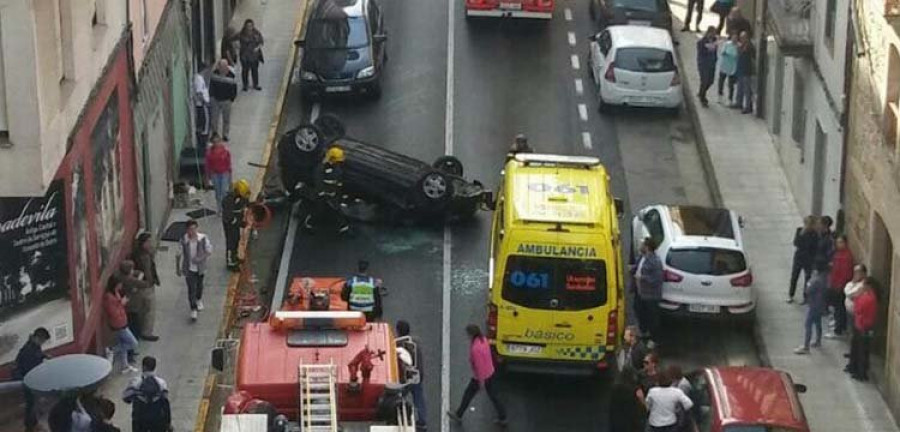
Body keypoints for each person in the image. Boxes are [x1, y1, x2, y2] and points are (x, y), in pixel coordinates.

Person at [447, 325, 507, 426]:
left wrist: (481, 382)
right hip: (490, 372)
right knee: (494, 396)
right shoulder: (483, 340)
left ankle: (458, 414)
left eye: (468, 334)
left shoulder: (475, 349)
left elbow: (479, 367)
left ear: (471, 334)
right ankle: (503, 416)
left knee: (468, 394)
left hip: (480, 377)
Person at [304, 146, 351, 234]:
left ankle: (343, 227)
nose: (340, 163)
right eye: (338, 161)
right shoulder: (322, 169)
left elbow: (337, 183)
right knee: (319, 210)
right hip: (322, 195)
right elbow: (318, 181)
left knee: (335, 209)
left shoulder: (335, 169)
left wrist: (336, 193)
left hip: (330, 194)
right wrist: (322, 193)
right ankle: (309, 224)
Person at [176, 220, 213, 321]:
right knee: (191, 288)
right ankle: (193, 309)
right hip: (189, 269)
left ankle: (199, 299)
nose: (192, 231)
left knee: (199, 285)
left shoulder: (203, 238)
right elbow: (178, 254)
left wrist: (200, 258)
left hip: (200, 268)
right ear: (187, 230)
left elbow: (209, 251)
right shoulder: (184, 240)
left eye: (194, 229)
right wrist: (177, 268)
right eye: (190, 229)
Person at [123, 356, 172, 432]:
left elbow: (126, 398)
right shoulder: (162, 383)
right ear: (154, 367)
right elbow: (166, 403)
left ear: (143, 367)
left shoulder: (136, 382)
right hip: (157, 419)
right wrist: (168, 423)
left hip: (140, 419)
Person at [16, 327, 50, 432]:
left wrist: (44, 355)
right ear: (37, 337)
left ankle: (34, 423)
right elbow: (30, 369)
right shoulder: (28, 351)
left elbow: (37, 354)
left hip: (31, 378)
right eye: (42, 341)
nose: (42, 343)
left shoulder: (34, 345)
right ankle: (29, 427)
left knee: (33, 403)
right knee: (31, 404)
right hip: (28, 380)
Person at [103, 277, 140, 373]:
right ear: (115, 284)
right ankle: (112, 350)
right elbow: (112, 312)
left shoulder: (115, 293)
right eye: (120, 284)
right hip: (118, 324)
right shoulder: (109, 297)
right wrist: (121, 303)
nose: (121, 285)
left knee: (124, 344)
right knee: (133, 343)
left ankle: (125, 365)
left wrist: (121, 303)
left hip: (121, 322)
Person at [395, 320, 427, 430]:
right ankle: (422, 420)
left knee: (397, 396)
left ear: (398, 331)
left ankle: (396, 415)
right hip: (418, 375)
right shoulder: (416, 342)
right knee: (418, 397)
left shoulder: (398, 344)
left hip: (406, 377)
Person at [794, 259, 828, 354]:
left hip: (814, 304)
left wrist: (809, 283)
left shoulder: (816, 280)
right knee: (818, 323)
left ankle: (806, 346)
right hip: (820, 304)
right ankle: (818, 340)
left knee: (808, 324)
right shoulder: (824, 278)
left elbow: (808, 289)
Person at [633, 237, 663, 341]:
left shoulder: (655, 261)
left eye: (642, 245)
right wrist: (632, 269)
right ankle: (643, 332)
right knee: (639, 311)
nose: (640, 246)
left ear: (647, 247)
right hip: (640, 292)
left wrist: (642, 278)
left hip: (650, 295)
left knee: (652, 318)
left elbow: (657, 279)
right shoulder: (642, 257)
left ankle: (653, 339)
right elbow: (638, 267)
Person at [847, 277, 878, 381]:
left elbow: (857, 308)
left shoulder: (868, 298)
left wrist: (857, 297)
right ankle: (858, 370)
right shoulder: (870, 296)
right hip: (863, 325)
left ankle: (861, 373)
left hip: (863, 326)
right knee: (861, 350)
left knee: (862, 351)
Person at [131, 232, 160, 341]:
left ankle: (143, 330)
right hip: (145, 285)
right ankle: (147, 332)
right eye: (148, 241)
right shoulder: (141, 256)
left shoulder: (144, 254)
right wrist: (149, 281)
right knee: (149, 309)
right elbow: (146, 271)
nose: (150, 244)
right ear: (142, 243)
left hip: (146, 284)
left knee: (145, 309)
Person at [116, 260, 153, 341]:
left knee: (130, 322)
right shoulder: (131, 280)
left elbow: (138, 272)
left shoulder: (120, 276)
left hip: (126, 304)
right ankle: (134, 339)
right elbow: (145, 284)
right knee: (134, 323)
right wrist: (139, 278)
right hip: (133, 304)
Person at [825, 235, 853, 338]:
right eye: (837, 242)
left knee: (839, 308)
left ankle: (838, 330)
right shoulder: (839, 254)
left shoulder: (846, 256)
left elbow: (845, 273)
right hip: (835, 284)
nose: (838, 244)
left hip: (840, 286)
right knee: (837, 307)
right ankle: (839, 325)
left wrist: (839, 286)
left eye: (841, 242)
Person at [788, 216, 818, 304]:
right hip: (798, 257)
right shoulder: (799, 230)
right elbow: (796, 243)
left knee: (807, 278)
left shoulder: (814, 234)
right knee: (794, 276)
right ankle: (791, 295)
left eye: (809, 224)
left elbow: (812, 247)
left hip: (809, 259)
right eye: (806, 223)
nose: (807, 226)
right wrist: (802, 233)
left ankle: (806, 297)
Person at [223, 179, 250, 270]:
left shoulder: (242, 197)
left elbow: (246, 205)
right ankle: (230, 262)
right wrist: (240, 223)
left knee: (237, 239)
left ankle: (235, 257)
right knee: (231, 241)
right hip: (229, 222)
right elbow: (229, 217)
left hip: (236, 220)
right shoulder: (228, 200)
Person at [608, 367, 646, 432]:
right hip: (632, 424)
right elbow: (643, 407)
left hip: (618, 423)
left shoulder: (615, 389)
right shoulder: (635, 390)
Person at [209, 59, 238, 141]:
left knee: (226, 119)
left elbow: (234, 88)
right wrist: (212, 97)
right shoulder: (215, 74)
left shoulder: (231, 75)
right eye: (221, 66)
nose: (223, 68)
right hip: (216, 100)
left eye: (224, 66)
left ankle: (225, 134)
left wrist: (231, 99)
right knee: (214, 119)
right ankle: (214, 134)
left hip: (226, 101)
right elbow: (211, 86)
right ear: (219, 67)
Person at [731, 31, 755, 114]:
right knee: (740, 88)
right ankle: (739, 103)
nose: (741, 39)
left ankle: (748, 106)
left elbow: (749, 55)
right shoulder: (742, 45)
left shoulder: (749, 46)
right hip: (741, 70)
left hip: (747, 71)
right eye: (741, 38)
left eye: (743, 38)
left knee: (747, 90)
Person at [205, 136, 233, 207]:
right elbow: (208, 166)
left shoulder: (225, 152)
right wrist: (207, 178)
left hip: (224, 173)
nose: (217, 144)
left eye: (218, 142)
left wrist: (230, 179)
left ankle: (224, 207)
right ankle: (219, 207)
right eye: (215, 142)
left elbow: (228, 164)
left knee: (223, 192)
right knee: (217, 192)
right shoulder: (209, 153)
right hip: (215, 174)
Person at [238, 19, 265, 91]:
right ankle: (245, 85)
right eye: (248, 26)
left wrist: (257, 48)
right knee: (245, 71)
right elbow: (235, 40)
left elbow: (261, 42)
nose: (249, 27)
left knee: (255, 70)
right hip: (245, 56)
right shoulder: (242, 34)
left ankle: (255, 84)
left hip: (254, 56)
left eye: (251, 26)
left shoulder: (256, 33)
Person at [696, 27, 718, 107]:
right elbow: (701, 52)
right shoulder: (701, 42)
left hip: (711, 64)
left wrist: (715, 59)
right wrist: (709, 49)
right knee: (704, 80)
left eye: (714, 33)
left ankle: (701, 92)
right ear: (708, 33)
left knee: (711, 81)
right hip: (703, 64)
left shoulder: (715, 41)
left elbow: (715, 51)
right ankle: (703, 98)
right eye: (712, 33)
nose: (713, 35)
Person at [193, 63, 210, 157]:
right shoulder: (199, 79)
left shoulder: (198, 78)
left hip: (201, 105)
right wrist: (204, 102)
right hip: (202, 105)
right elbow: (199, 93)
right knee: (204, 125)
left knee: (202, 125)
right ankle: (203, 146)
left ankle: (203, 145)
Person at [717, 32, 739, 105]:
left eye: (736, 38)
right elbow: (722, 52)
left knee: (731, 84)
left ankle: (730, 99)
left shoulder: (738, 46)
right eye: (733, 38)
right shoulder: (727, 44)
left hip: (732, 67)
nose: (734, 39)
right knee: (721, 81)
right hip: (724, 65)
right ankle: (720, 96)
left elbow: (737, 56)